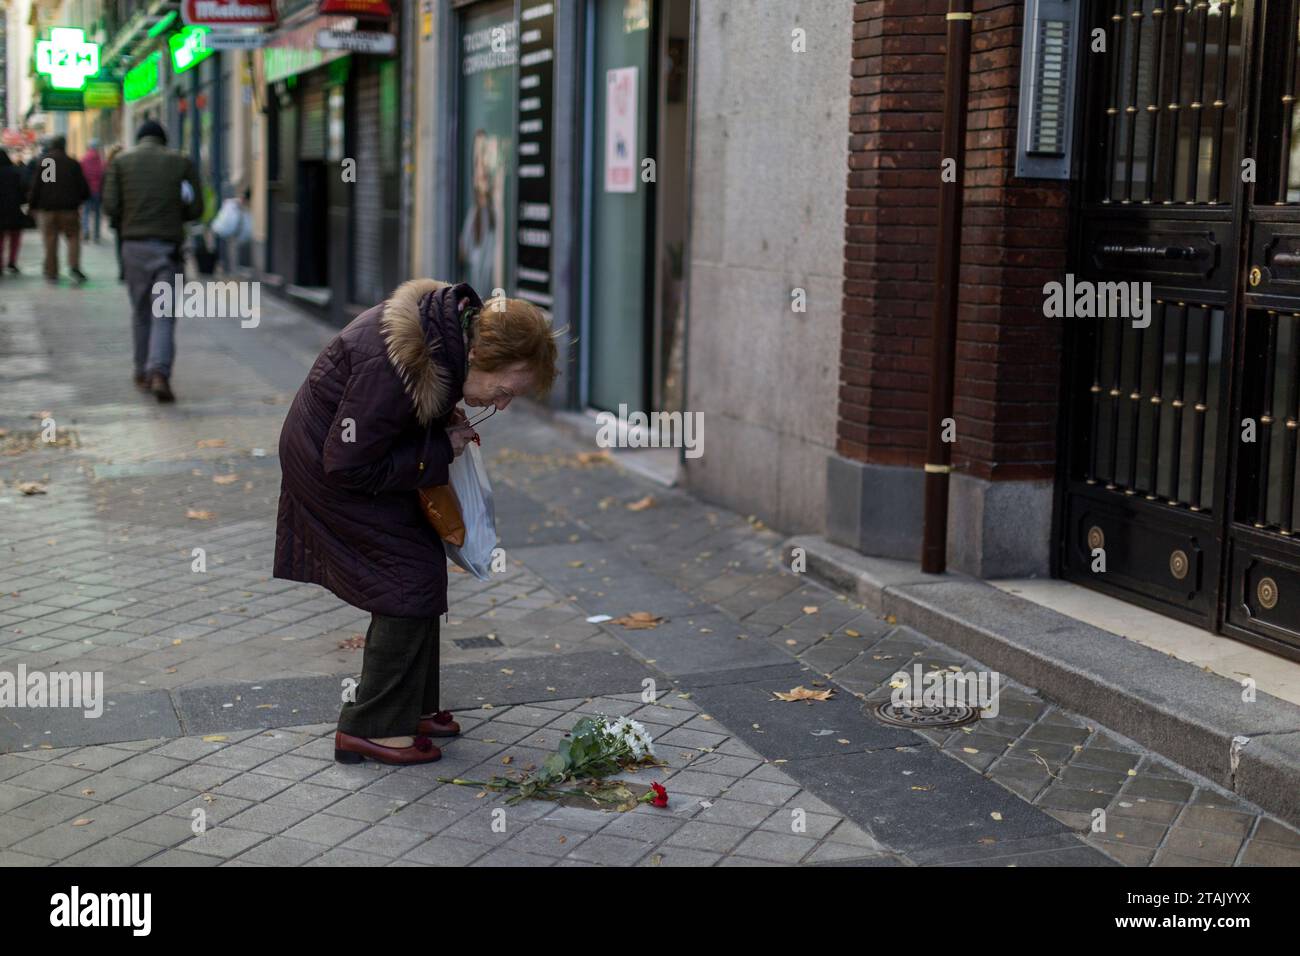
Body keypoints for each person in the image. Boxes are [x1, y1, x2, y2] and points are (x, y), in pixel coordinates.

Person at [274, 280, 558, 765]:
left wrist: (440, 424)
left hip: (346, 459)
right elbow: (348, 465)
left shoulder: (444, 340)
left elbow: (400, 417)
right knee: (406, 577)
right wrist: (438, 449)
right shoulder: (398, 361)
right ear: (479, 357)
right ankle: (370, 727)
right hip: (330, 472)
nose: (502, 404)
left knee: (420, 567)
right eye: (506, 390)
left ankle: (411, 709)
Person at [102, 121, 204, 402]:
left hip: (133, 247)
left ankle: (141, 371)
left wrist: (130, 217)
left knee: (141, 311)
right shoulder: (181, 161)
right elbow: (197, 208)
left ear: (139, 138)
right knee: (164, 313)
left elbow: (110, 206)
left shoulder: (121, 162)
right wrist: (174, 213)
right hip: (168, 248)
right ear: (163, 139)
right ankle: (159, 371)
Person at [26, 135, 90, 284]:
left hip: (48, 210)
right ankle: (74, 267)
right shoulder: (72, 163)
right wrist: (78, 200)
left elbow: (37, 187)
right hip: (69, 209)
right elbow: (84, 189)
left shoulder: (45, 162)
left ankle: (51, 272)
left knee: (50, 240)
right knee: (73, 237)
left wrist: (32, 205)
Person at [0, 150, 32, 274]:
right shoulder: (15, 172)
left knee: (0, 239)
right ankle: (12, 262)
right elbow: (24, 190)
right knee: (15, 237)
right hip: (14, 210)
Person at [104, 143, 125, 280]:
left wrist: (110, 211)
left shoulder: (109, 170)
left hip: (119, 215)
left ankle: (123, 270)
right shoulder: (131, 168)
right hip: (130, 213)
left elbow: (108, 194)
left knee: (120, 244)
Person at [80, 139, 105, 243]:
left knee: (85, 211)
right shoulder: (100, 160)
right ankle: (96, 235)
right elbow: (103, 174)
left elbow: (81, 175)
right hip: (97, 190)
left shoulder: (84, 159)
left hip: (86, 190)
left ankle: (85, 231)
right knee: (98, 213)